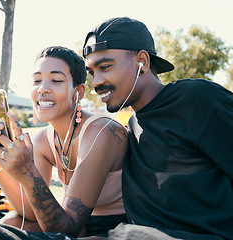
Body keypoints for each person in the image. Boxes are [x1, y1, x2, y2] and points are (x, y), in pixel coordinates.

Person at [0, 46, 128, 239]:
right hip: (76, 227)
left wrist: (27, 172)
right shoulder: (44, 139)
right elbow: (29, 212)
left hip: (113, 232)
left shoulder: (101, 132)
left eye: (56, 80)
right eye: (36, 80)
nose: (42, 88)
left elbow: (65, 230)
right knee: (10, 221)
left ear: (78, 91)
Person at [82, 17, 233, 239]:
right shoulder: (130, 129)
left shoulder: (195, 99)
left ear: (141, 61)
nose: (95, 82)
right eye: (92, 72)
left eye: (105, 67)